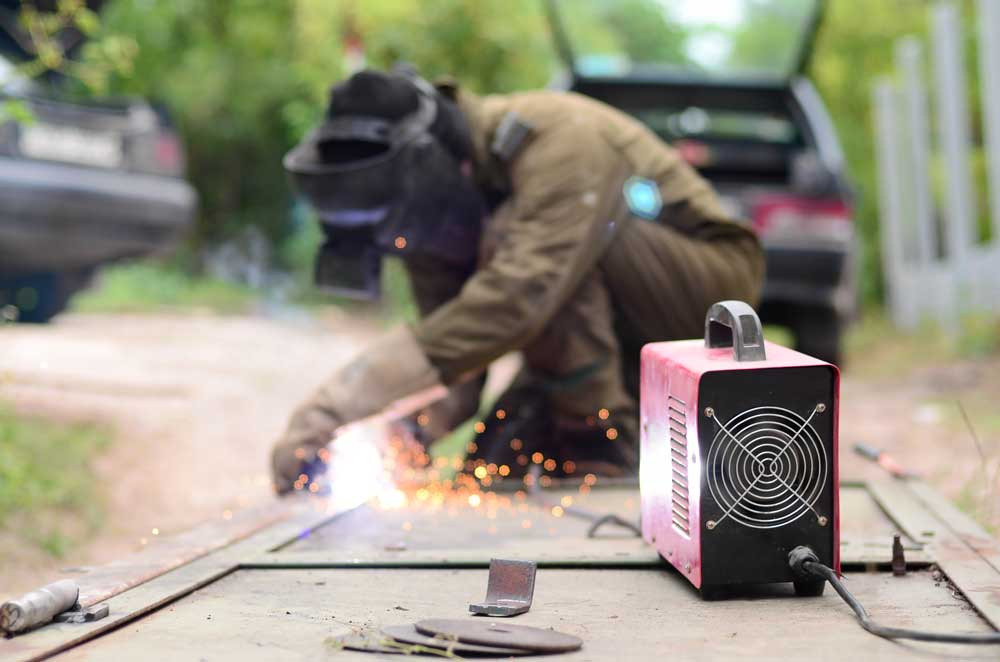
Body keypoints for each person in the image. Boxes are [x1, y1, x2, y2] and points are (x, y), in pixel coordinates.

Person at [271, 67, 764, 494]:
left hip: (702, 301)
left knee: (522, 244)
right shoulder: (437, 219)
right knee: (487, 474)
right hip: (602, 324)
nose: (404, 241)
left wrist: (328, 410)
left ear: (438, 163)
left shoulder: (559, 137)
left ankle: (602, 445)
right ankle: (588, 422)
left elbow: (516, 299)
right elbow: (455, 352)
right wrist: (399, 440)